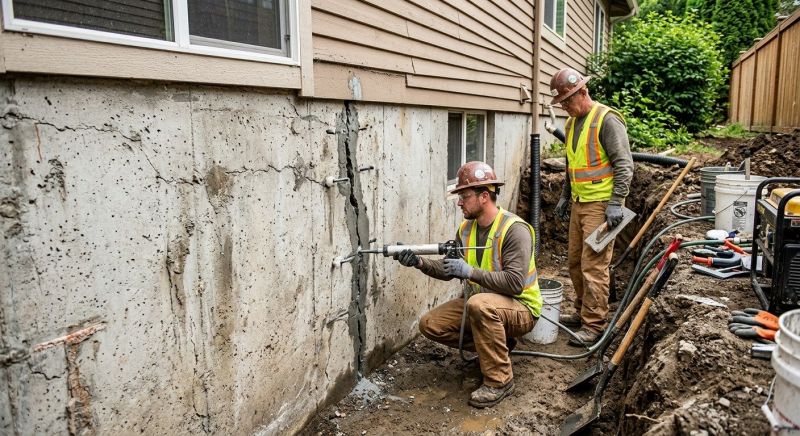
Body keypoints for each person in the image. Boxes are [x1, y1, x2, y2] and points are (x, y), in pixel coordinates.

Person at [393, 161, 542, 409]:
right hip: (482, 304)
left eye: (464, 196)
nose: (460, 202)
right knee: (430, 324)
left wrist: (470, 271)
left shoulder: (515, 230)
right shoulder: (466, 228)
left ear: (484, 196)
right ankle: (496, 349)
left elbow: (515, 283)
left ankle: (500, 381)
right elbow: (450, 269)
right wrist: (419, 262)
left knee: (479, 304)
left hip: (521, 308)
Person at [549, 67, 634, 346]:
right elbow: (574, 166)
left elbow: (624, 165)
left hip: (601, 206)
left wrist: (616, 203)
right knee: (575, 261)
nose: (564, 106)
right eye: (561, 102)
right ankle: (582, 311)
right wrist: (564, 195)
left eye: (567, 100)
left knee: (594, 265)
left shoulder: (607, 120)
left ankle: (594, 324)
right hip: (579, 203)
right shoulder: (573, 124)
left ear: (583, 92)